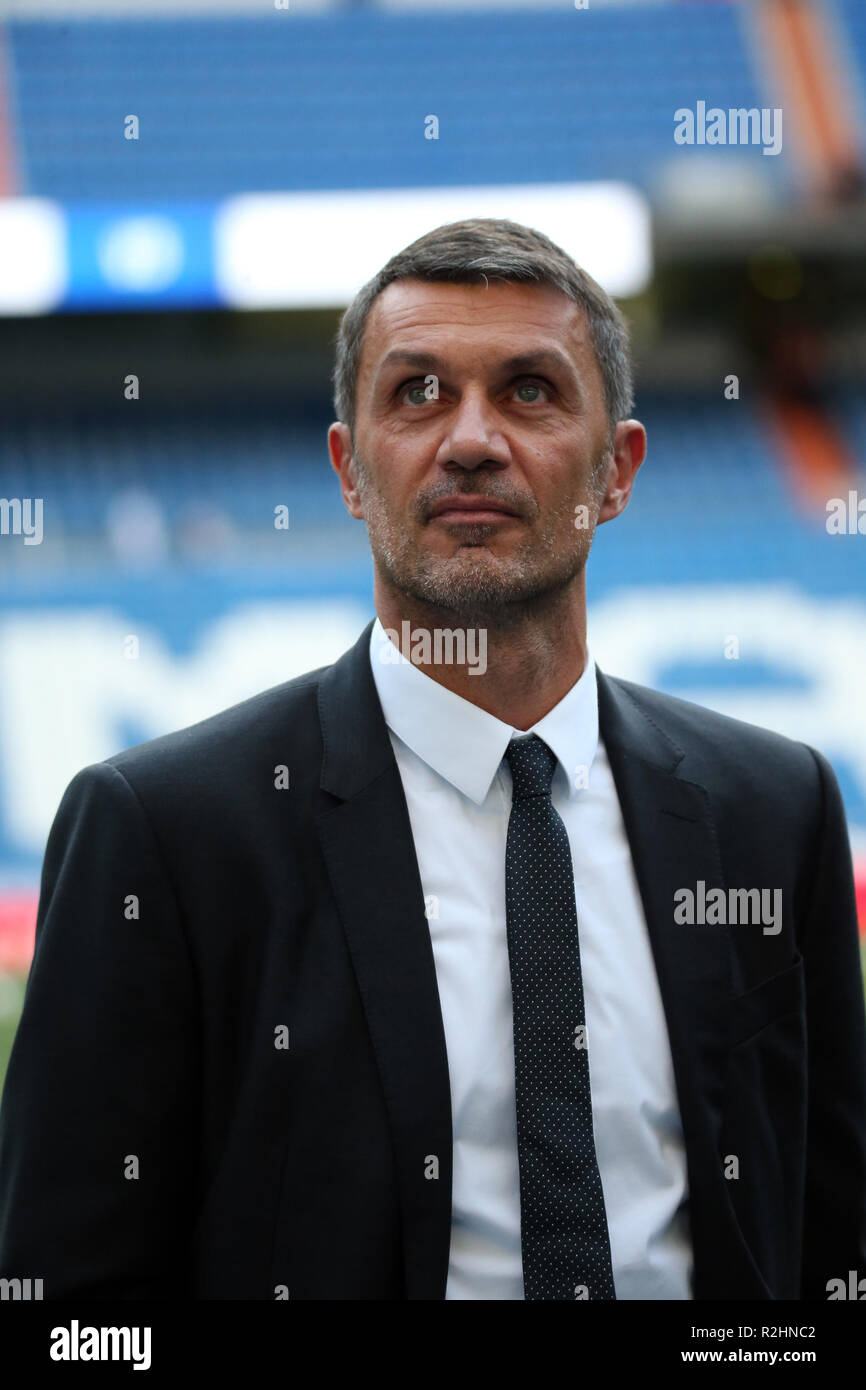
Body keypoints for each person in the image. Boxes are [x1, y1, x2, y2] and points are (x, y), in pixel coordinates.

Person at [1, 218, 864, 1300]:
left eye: (528, 392)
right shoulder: (166, 831)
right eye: (415, 393)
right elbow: (69, 1304)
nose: (469, 440)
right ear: (349, 469)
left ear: (618, 469)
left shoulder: (767, 806)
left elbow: (831, 1242)